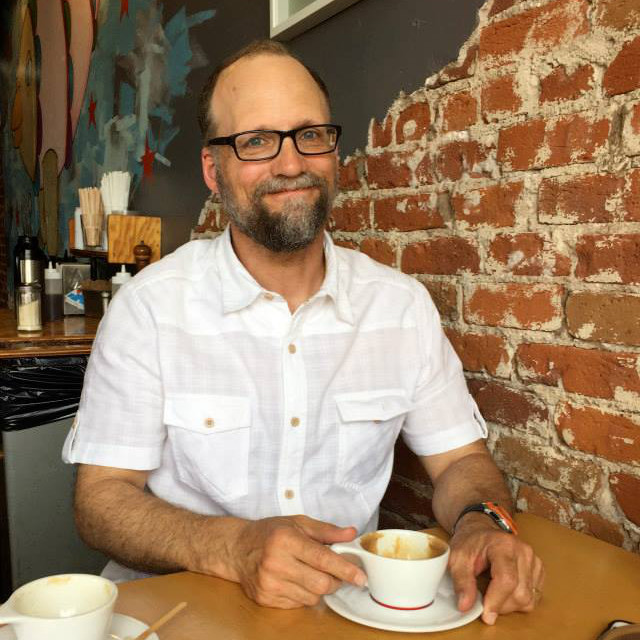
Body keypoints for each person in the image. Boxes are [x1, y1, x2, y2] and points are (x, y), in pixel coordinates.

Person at [65, 40, 544, 625]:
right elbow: (101, 500)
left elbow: (460, 462)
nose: (291, 164)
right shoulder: (149, 309)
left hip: (345, 616)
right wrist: (232, 548)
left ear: (334, 152)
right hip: (177, 616)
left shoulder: (400, 308)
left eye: (310, 135)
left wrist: (482, 523)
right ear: (213, 170)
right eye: (256, 141)